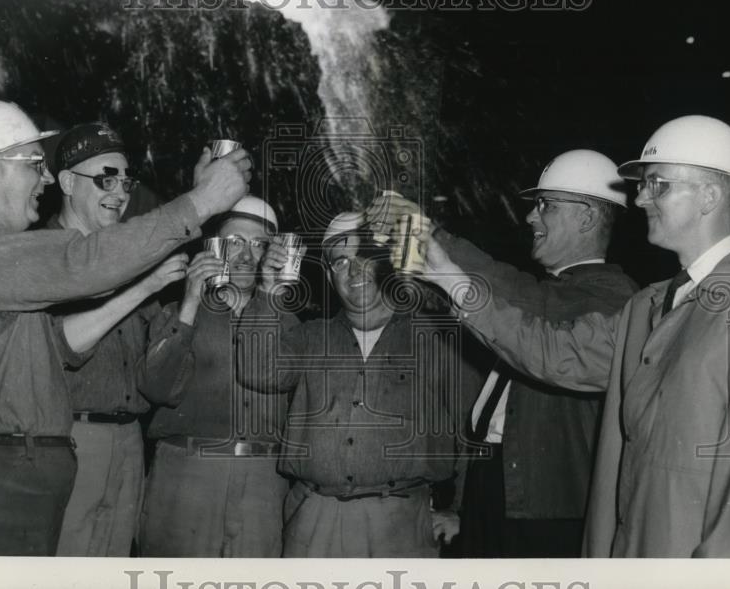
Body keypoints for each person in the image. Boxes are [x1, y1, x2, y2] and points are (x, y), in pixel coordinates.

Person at [420, 116, 730, 557]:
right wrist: (453, 281)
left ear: (710, 196)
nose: (641, 197)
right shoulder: (648, 305)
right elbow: (554, 354)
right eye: (643, 185)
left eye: (657, 184)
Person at [0, 99, 250, 556]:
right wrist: (200, 203)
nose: (43, 179)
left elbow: (58, 346)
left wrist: (143, 287)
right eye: (34, 165)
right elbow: (80, 261)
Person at [386, 151, 639, 556]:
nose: (530, 218)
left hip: (547, 512)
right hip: (502, 489)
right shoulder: (551, 294)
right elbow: (516, 290)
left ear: (588, 217)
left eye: (547, 205)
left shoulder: (614, 298)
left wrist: (438, 245)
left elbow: (522, 295)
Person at [235, 212, 461, 558]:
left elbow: (474, 423)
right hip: (313, 517)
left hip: (403, 520)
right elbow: (257, 371)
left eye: (366, 257)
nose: (355, 270)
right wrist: (268, 290)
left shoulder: (434, 336)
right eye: (340, 262)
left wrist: (461, 509)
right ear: (328, 275)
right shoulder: (310, 336)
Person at [48, 122, 198, 557]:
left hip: (130, 440)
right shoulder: (43, 252)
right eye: (105, 179)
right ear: (67, 182)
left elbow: (157, 363)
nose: (119, 191)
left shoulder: (129, 259)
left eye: (125, 181)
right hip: (70, 437)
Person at [140, 196, 290, 557]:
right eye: (235, 241)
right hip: (187, 475)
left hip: (262, 483)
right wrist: (191, 299)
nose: (245, 254)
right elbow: (155, 388)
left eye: (258, 245)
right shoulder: (177, 313)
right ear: (213, 246)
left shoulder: (289, 322)